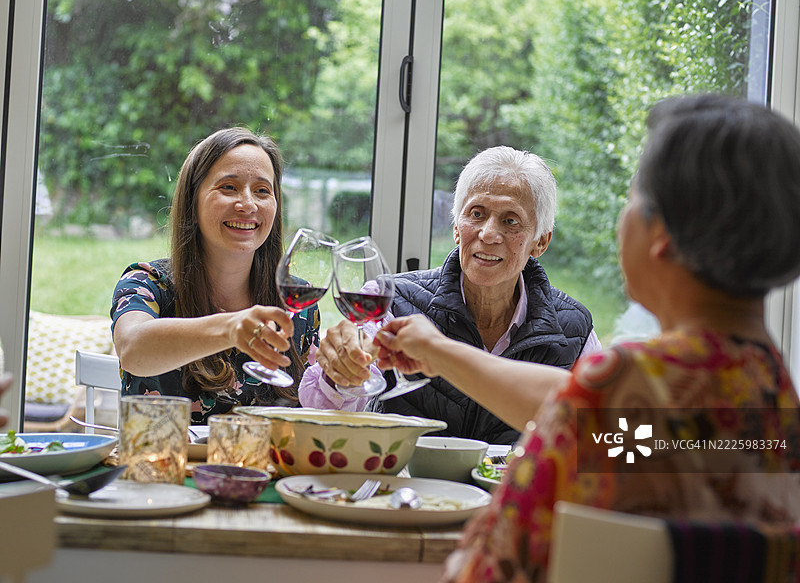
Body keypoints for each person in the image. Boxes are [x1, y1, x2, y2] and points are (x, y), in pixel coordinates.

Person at [375, 94, 800, 582]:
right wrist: (440, 352)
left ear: (663, 234)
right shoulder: (769, 401)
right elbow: (608, 426)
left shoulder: (622, 387)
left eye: (633, 199)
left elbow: (486, 569)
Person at [300, 146, 600, 444]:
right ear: (457, 228)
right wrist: (340, 373)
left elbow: (604, 438)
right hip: (405, 488)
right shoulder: (390, 300)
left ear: (540, 242)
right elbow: (318, 406)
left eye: (510, 221)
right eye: (476, 214)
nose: (488, 234)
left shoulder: (573, 328)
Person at [112, 127, 320, 424]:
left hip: (267, 470)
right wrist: (231, 328)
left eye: (262, 190)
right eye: (229, 187)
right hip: (166, 466)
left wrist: (343, 377)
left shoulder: (298, 303)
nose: (248, 204)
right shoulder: (147, 283)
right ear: (193, 201)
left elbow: (316, 406)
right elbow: (133, 349)